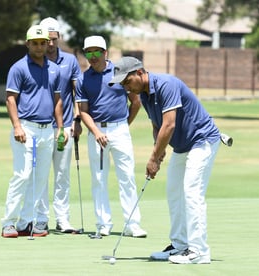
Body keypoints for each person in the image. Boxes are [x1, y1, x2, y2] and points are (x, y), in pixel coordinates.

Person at [109, 56, 220, 264]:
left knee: (192, 193)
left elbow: (169, 125)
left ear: (140, 72)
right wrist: (158, 154)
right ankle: (180, 246)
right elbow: (157, 126)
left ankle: (199, 251)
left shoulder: (166, 85)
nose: (125, 88)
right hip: (182, 146)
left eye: (127, 81)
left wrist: (152, 159)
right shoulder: (143, 96)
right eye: (122, 84)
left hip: (202, 140)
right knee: (174, 193)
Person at [75, 36, 147, 238]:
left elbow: (135, 102)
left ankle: (133, 224)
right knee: (98, 179)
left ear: (105, 52)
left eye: (97, 51)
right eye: (88, 52)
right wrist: (97, 132)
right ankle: (103, 224)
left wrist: (123, 125)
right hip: (96, 131)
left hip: (120, 130)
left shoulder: (119, 72)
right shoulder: (83, 78)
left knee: (127, 178)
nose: (93, 56)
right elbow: (83, 111)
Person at [1, 25, 67, 238]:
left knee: (40, 177)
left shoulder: (54, 69)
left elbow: (58, 101)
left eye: (43, 43)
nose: (39, 47)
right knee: (22, 175)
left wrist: (60, 128)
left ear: (48, 43)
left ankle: (29, 221)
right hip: (26, 128)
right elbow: (11, 99)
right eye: (35, 43)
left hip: (48, 129)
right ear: (28, 44)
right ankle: (8, 223)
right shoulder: (18, 68)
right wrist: (17, 126)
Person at [34, 17, 82, 233]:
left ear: (59, 38)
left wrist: (78, 120)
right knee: (41, 174)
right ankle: (41, 217)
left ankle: (63, 219)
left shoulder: (70, 61)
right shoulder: (33, 60)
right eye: (47, 39)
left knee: (62, 173)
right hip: (41, 126)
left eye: (54, 39)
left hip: (64, 127)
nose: (50, 44)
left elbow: (77, 92)